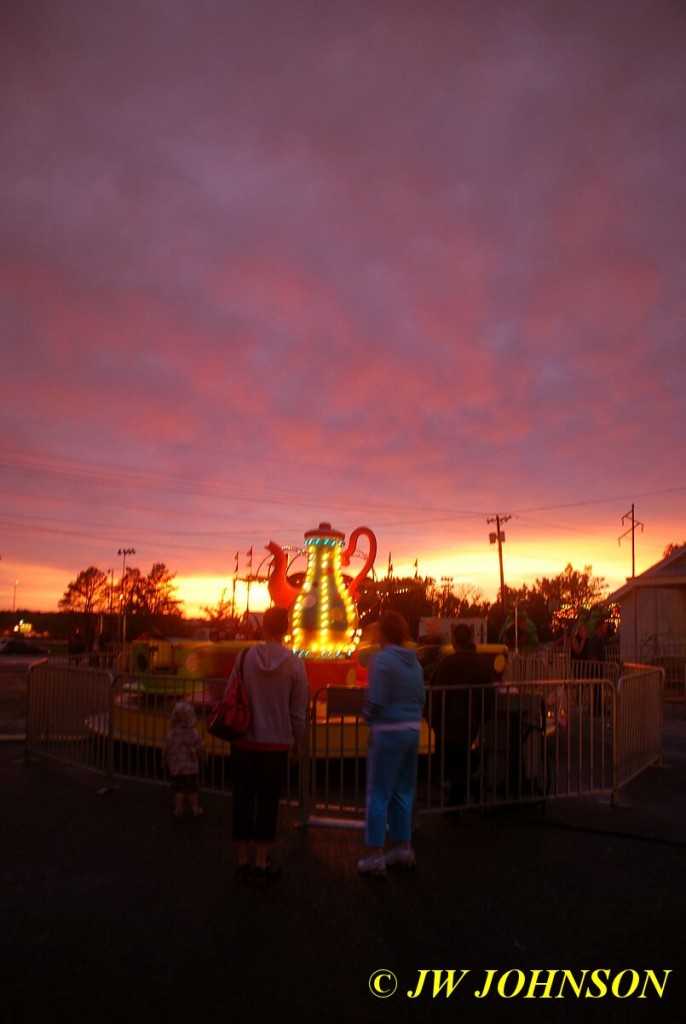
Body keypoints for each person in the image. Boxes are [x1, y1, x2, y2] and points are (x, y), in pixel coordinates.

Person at [230, 606, 309, 886]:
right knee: (267, 801)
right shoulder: (295, 664)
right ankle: (262, 861)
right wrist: (299, 740)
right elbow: (298, 710)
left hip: (243, 740)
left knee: (242, 797)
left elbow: (231, 693)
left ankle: (242, 860)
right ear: (287, 629)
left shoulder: (243, 658)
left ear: (263, 628)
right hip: (276, 743)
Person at [357, 610, 425, 878]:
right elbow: (421, 699)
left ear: (383, 633)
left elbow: (376, 699)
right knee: (403, 790)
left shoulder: (381, 660)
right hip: (411, 730)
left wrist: (368, 718)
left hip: (387, 731)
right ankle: (403, 846)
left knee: (378, 792)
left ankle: (375, 856)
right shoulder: (415, 663)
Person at [427, 623, 493, 813]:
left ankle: (456, 800)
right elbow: (488, 695)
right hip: (470, 722)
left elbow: (435, 693)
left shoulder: (448, 664)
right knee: (463, 759)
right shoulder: (481, 664)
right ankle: (466, 791)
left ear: (455, 640)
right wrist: (483, 716)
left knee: (451, 761)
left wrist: (432, 719)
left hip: (448, 723)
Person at [162, 701, 207, 819]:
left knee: (178, 790)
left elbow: (166, 750)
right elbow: (200, 748)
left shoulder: (170, 735)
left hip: (176, 767)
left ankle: (178, 809)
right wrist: (203, 758)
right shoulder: (194, 734)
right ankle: (194, 809)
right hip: (191, 767)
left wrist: (165, 762)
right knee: (193, 790)